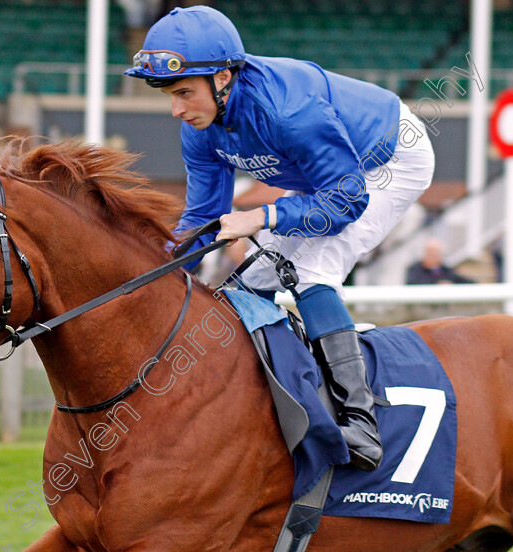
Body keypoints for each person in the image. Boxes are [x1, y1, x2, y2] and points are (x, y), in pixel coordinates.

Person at [125, 6, 436, 471]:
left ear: (224, 77)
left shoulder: (290, 112)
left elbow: (345, 202)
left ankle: (361, 420)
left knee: (312, 268)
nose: (177, 109)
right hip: (325, 176)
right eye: (170, 95)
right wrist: (156, 271)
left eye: (185, 93)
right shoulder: (201, 129)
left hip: (387, 160)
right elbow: (204, 216)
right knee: (249, 283)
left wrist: (262, 216)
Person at [406, 238, 474, 285]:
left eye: (436, 252)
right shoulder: (414, 269)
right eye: (430, 251)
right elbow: (412, 283)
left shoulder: (446, 270)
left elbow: (466, 282)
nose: (433, 255)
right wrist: (436, 285)